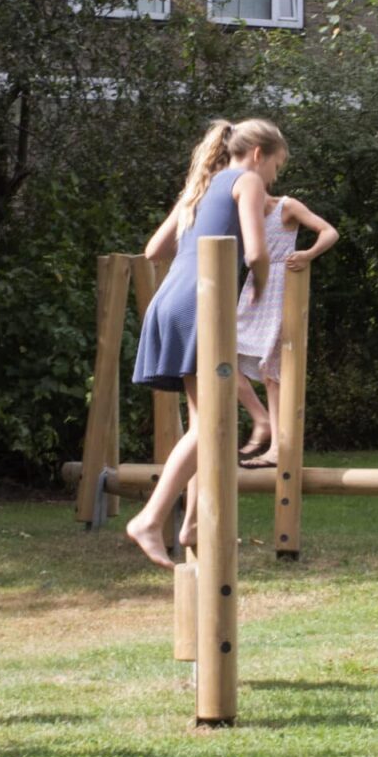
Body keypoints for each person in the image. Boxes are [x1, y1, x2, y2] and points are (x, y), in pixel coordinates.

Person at [124, 119, 285, 568]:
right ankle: (150, 519)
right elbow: (256, 253)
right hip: (200, 304)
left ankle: (192, 523)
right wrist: (258, 292)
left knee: (205, 422)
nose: (273, 177)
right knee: (210, 425)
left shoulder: (201, 185)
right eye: (276, 165)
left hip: (169, 301)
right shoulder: (247, 181)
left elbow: (154, 248)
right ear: (258, 154)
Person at [236, 192, 339, 468]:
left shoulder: (286, 206)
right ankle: (261, 419)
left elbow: (329, 232)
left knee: (273, 371)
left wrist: (308, 254)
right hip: (254, 290)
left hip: (281, 286)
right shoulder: (243, 210)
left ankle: (277, 449)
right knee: (219, 356)